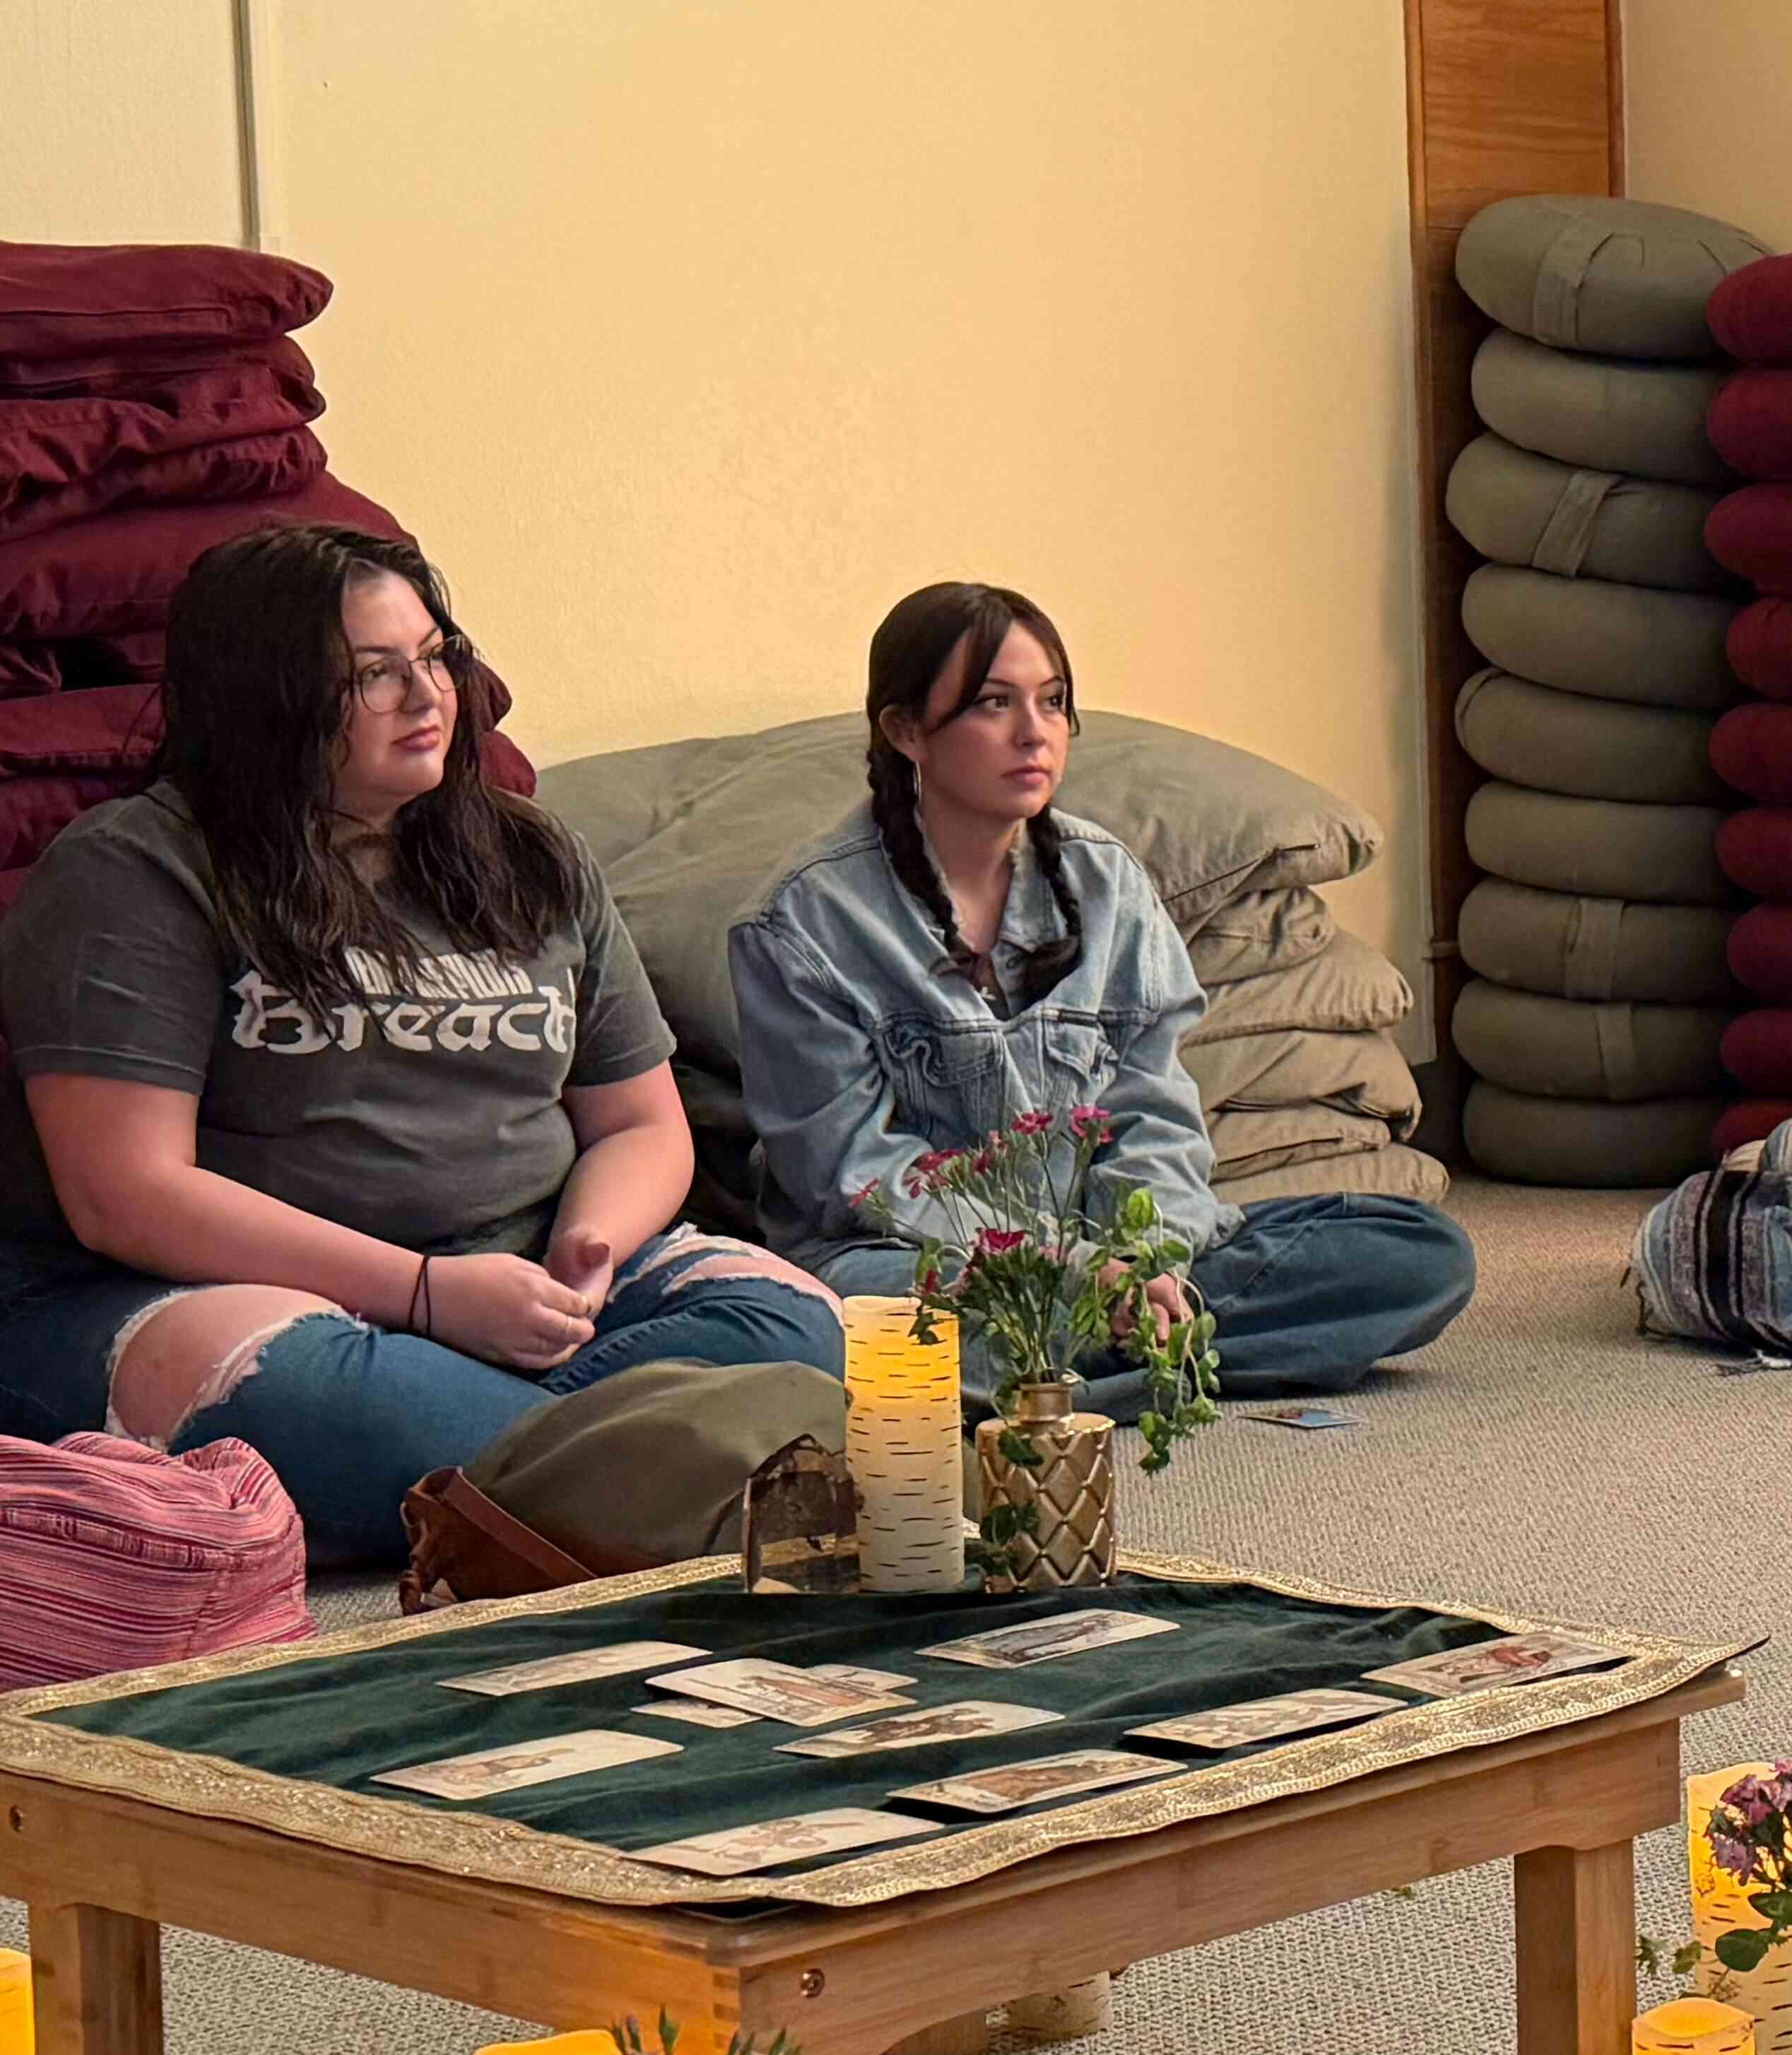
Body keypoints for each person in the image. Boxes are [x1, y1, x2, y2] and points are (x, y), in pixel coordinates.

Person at [0, 526, 844, 1565]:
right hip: (243, 1304)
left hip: (524, 1282)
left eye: (438, 655)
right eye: (374, 674)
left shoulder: (530, 851)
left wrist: (588, 1254)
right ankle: (639, 1474)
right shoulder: (134, 872)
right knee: (340, 1409)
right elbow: (124, 1192)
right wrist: (422, 1296)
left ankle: (533, 1483)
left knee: (798, 1326)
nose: (431, 693)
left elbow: (640, 1123)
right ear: (267, 696)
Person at [730, 579, 1473, 1410]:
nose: (1034, 733)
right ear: (907, 731)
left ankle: (1074, 1375)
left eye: (1053, 703)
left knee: (1420, 1252)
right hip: (923, 1267)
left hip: (1112, 1251)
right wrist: (1071, 1270)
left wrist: (1146, 1259)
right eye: (993, 705)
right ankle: (1152, 1358)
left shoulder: (1108, 883)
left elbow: (1154, 1108)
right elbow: (857, 1179)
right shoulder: (796, 925)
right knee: (840, 1337)